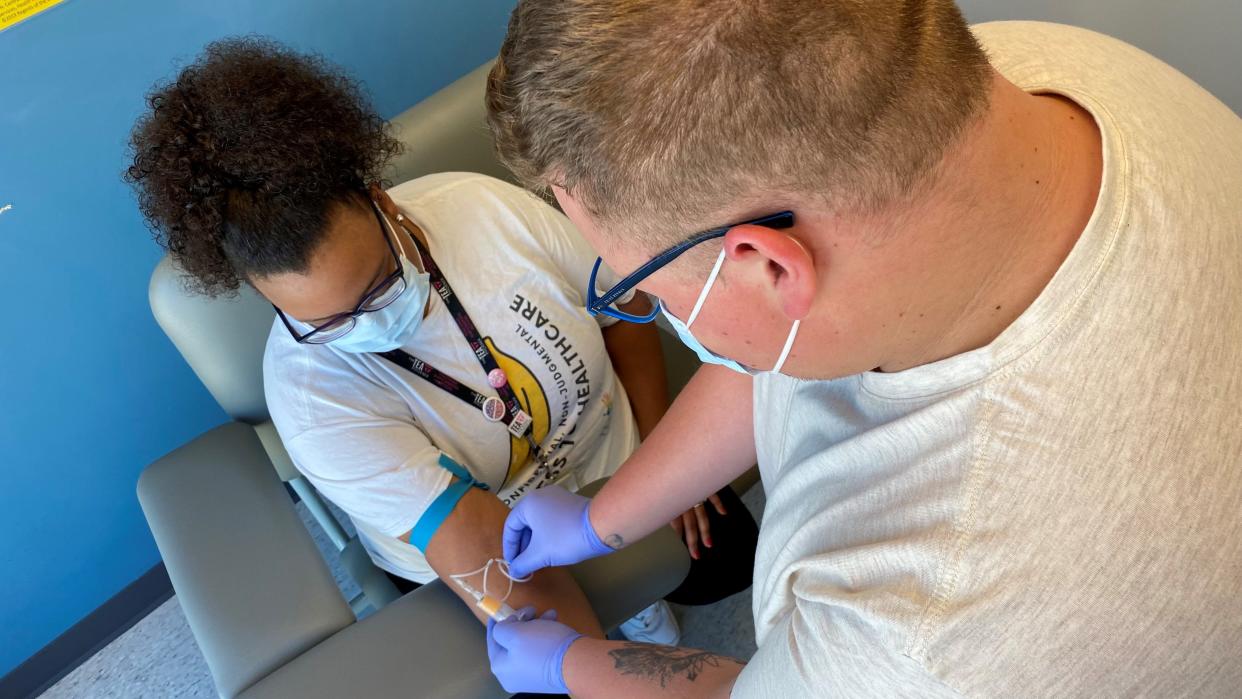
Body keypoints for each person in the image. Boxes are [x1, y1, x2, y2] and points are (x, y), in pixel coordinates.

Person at [481, 1, 1242, 696]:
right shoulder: (1031, 77)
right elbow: (767, 362)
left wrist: (569, 662)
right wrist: (599, 519)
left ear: (772, 267)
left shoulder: (922, 630)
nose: (650, 308)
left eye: (643, 288)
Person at [124, 38, 757, 651]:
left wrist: (657, 459)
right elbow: (474, 541)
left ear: (385, 206)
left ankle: (643, 609)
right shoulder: (313, 403)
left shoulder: (480, 210)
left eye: (378, 287)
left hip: (611, 456)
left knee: (731, 561)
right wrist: (597, 666)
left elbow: (625, 313)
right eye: (326, 323)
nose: (366, 328)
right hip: (490, 536)